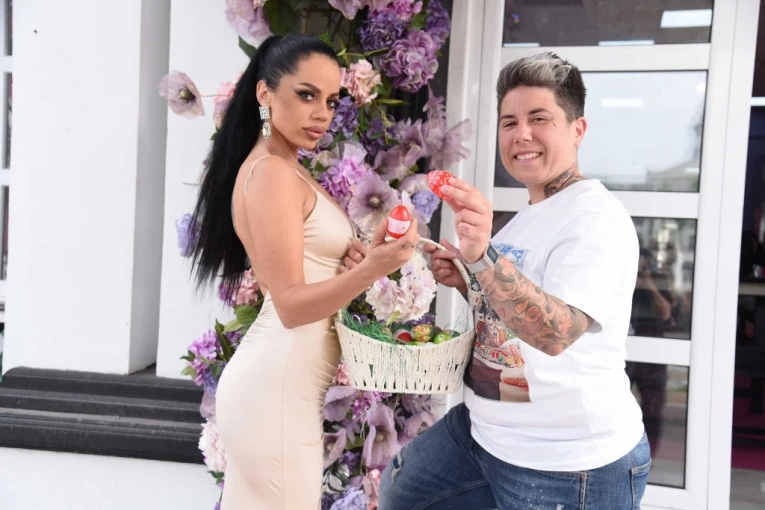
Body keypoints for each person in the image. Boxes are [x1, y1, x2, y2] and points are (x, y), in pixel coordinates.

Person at [379, 52, 650, 509]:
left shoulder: (595, 218)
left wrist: (482, 258)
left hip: (566, 462)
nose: (521, 134)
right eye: (509, 122)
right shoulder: (527, 217)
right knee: (400, 493)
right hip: (486, 433)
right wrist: (465, 279)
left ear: (577, 129)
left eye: (539, 118)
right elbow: (507, 315)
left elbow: (554, 332)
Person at [189, 34, 418, 509]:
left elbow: (299, 280)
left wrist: (354, 265)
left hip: (281, 389)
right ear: (265, 93)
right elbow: (290, 306)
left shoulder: (284, 168)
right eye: (307, 94)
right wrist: (372, 269)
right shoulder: (271, 172)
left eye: (331, 100)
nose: (322, 113)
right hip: (275, 391)